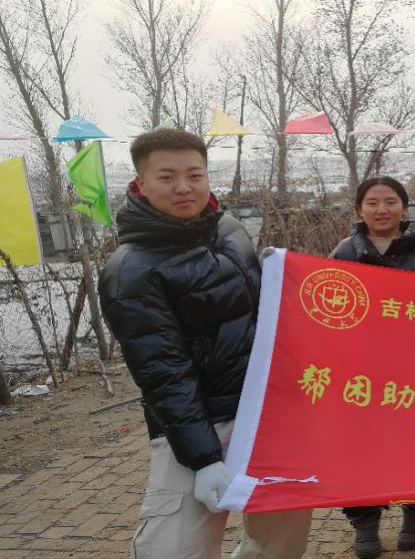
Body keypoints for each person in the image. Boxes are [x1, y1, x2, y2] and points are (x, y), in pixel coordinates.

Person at [98, 129, 312, 559]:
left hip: (264, 416)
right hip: (197, 425)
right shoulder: (131, 270)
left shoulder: (230, 231)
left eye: (194, 175)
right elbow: (164, 375)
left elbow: (263, 318)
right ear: (141, 183)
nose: (184, 187)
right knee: (174, 549)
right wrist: (203, 459)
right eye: (167, 177)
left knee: (281, 539)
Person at [330, 176, 415, 558]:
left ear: (404, 207)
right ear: (358, 210)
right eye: (372, 203)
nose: (381, 210)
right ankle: (364, 521)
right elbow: (327, 312)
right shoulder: (344, 253)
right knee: (361, 448)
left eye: (390, 202)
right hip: (361, 372)